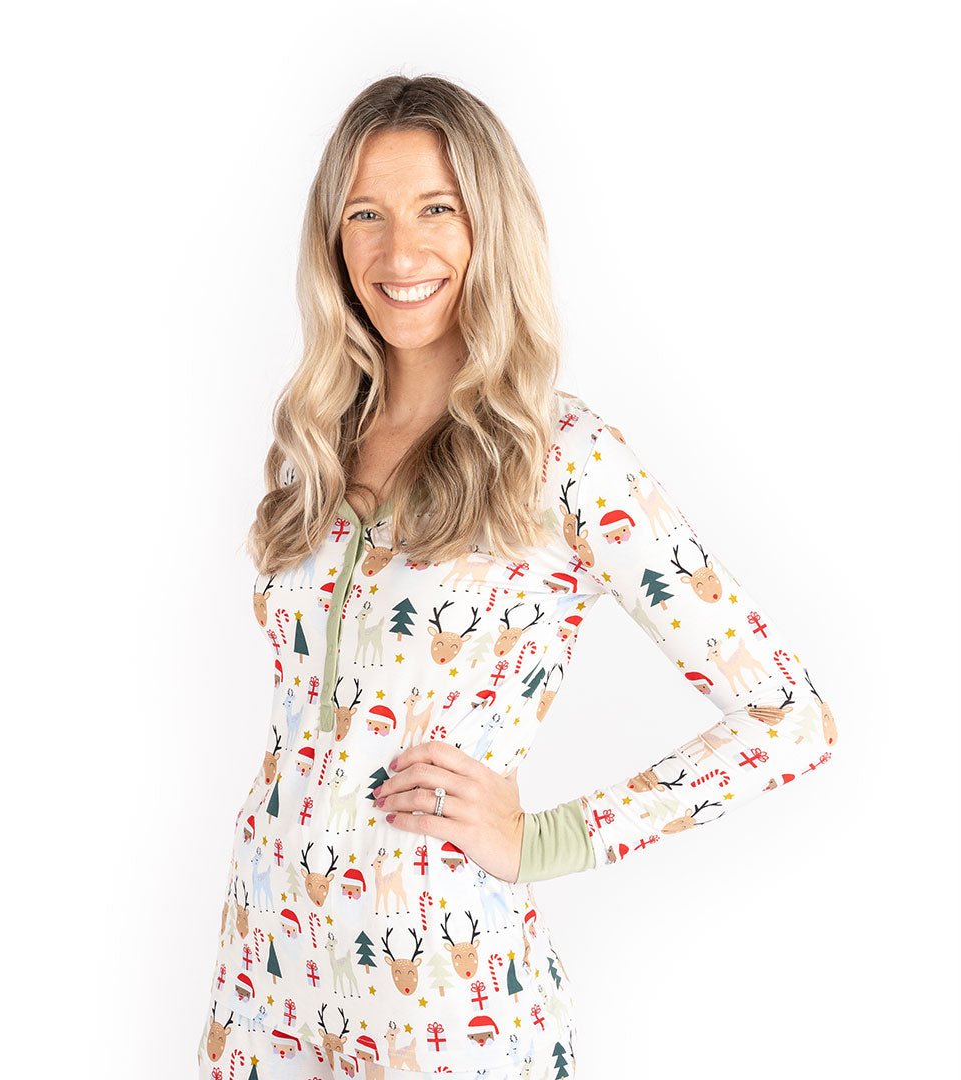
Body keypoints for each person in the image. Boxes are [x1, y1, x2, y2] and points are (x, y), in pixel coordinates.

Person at [196, 74, 838, 1080]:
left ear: (489, 226)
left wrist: (551, 838)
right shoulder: (313, 450)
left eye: (436, 210)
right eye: (364, 214)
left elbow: (789, 718)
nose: (398, 253)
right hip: (268, 975)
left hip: (451, 995)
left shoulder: (562, 457)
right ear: (332, 239)